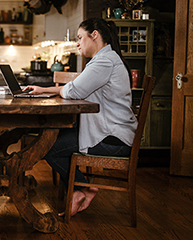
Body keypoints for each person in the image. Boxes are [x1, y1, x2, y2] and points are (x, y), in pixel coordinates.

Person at [24, 18, 137, 217]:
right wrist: (43, 89)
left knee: (48, 147)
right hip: (113, 134)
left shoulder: (104, 61)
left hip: (113, 139)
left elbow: (74, 91)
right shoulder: (105, 59)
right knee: (54, 141)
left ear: (94, 35)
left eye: (79, 37)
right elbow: (75, 87)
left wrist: (47, 90)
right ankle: (80, 189)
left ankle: (82, 189)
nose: (77, 43)